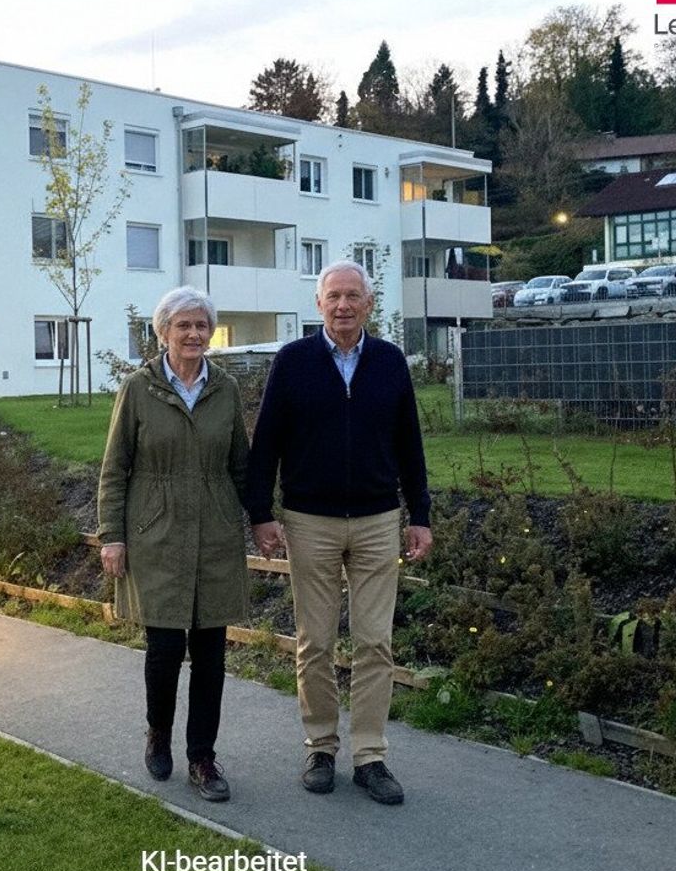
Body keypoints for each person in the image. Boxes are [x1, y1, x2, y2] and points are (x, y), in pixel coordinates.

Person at [246, 260, 433, 806]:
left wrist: (418, 514)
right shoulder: (294, 362)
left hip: (378, 521)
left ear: (369, 304)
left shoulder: (390, 362)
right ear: (319, 304)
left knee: (376, 642)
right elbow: (267, 444)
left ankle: (370, 757)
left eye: (354, 296)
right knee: (316, 642)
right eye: (334, 296)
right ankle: (321, 747)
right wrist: (260, 513)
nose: (344, 305)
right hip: (310, 522)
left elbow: (410, 446)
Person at [97, 286, 251, 803]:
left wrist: (262, 519)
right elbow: (115, 467)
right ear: (163, 332)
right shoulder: (138, 389)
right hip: (156, 533)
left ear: (211, 332)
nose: (193, 334)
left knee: (211, 654)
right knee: (164, 650)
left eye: (201, 326)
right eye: (182, 326)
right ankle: (158, 734)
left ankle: (202, 758)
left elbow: (241, 465)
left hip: (215, 534)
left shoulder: (225, 389)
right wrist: (112, 535)